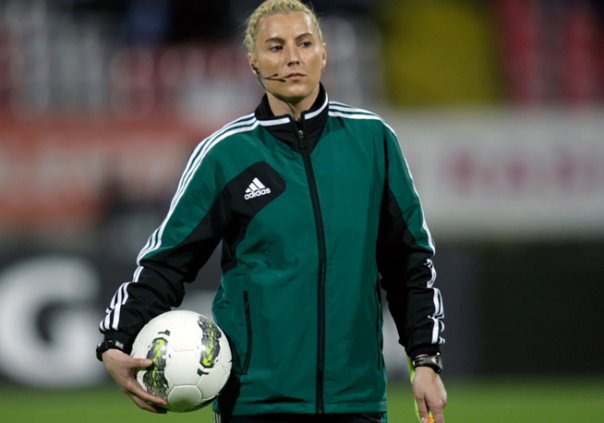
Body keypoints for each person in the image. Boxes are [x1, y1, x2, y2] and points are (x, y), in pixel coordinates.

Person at [96, 1, 447, 422]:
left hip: (356, 401)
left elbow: (409, 262)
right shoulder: (226, 154)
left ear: (324, 53)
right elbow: (168, 261)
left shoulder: (373, 141)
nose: (292, 57)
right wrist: (115, 341)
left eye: (304, 43)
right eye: (276, 47)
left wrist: (426, 360)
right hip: (257, 402)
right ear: (253, 61)